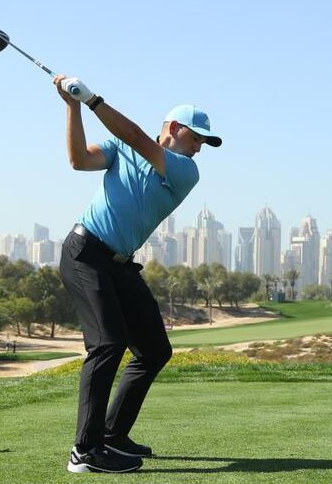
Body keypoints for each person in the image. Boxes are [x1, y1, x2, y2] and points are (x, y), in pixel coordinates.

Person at [53, 74, 221, 474]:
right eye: (196, 138)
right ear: (175, 128)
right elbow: (78, 160)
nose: (199, 147)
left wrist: (92, 99)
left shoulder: (185, 171)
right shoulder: (120, 149)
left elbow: (135, 136)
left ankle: (112, 435)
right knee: (107, 343)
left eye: (203, 142)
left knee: (154, 350)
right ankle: (85, 451)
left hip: (120, 265)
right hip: (85, 253)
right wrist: (73, 107)